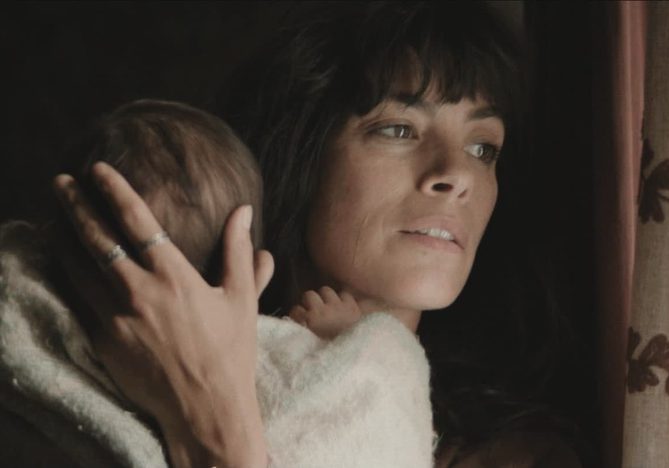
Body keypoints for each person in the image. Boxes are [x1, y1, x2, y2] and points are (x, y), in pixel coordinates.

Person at [52, 2, 581, 467]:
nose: (458, 174)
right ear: (300, 154)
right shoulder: (107, 366)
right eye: (398, 129)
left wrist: (209, 422)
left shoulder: (520, 458)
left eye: (483, 148)